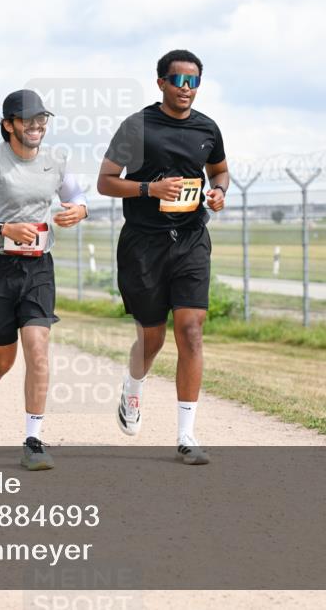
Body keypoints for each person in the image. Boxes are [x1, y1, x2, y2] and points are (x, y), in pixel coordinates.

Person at [96, 50, 229, 465]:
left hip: (190, 239)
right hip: (143, 244)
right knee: (151, 339)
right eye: (178, 80)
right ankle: (133, 386)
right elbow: (104, 182)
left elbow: (220, 170)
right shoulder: (137, 127)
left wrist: (220, 192)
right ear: (161, 83)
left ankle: (186, 436)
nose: (186, 89)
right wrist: (148, 190)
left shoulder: (208, 128)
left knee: (190, 331)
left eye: (193, 82)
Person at [0, 89, 88, 471]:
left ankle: (34, 440)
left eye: (42, 119)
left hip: (39, 266)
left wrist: (79, 211)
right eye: (28, 120)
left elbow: (76, 197)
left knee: (38, 351)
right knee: (3, 357)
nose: (37, 126)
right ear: (9, 124)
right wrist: (2, 227)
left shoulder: (56, 160)